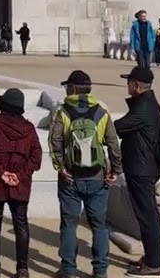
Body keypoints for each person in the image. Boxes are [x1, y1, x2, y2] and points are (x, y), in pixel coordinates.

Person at [50, 70, 121, 278]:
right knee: (99, 225)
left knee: (69, 223)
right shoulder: (101, 111)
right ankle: (100, 271)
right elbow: (113, 144)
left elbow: (54, 142)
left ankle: (69, 270)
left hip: (70, 176)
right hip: (97, 176)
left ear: (72, 88)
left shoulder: (62, 112)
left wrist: (60, 167)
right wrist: (115, 170)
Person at [0, 87, 42, 278]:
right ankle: (22, 268)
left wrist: (1, 173)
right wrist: (20, 175)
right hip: (20, 185)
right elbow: (36, 157)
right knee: (21, 225)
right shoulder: (29, 128)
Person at [114, 66, 160, 277]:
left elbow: (118, 127)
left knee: (148, 217)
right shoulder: (147, 104)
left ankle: (154, 265)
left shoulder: (144, 107)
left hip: (142, 169)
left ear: (136, 85)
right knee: (147, 215)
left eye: (129, 82)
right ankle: (151, 258)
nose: (127, 86)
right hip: (144, 166)